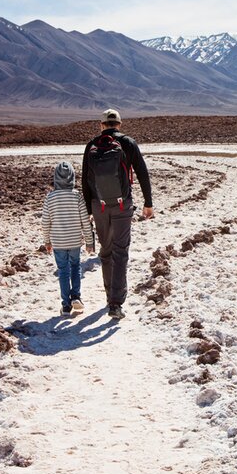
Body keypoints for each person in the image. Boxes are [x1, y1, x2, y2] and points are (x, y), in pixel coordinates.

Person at [82, 108, 154, 319]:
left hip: (99, 205)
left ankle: (108, 295)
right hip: (123, 205)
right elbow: (142, 173)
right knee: (120, 251)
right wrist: (148, 203)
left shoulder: (92, 145)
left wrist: (88, 209)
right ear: (119, 124)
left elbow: (86, 178)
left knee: (106, 250)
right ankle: (116, 303)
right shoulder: (128, 143)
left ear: (101, 125)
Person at [42, 161, 95, 316]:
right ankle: (76, 296)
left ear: (55, 178)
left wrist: (47, 241)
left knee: (63, 271)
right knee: (75, 267)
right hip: (74, 241)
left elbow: (45, 221)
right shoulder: (77, 196)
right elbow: (85, 220)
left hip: (58, 242)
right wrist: (89, 240)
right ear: (72, 177)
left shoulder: (50, 198)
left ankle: (66, 305)